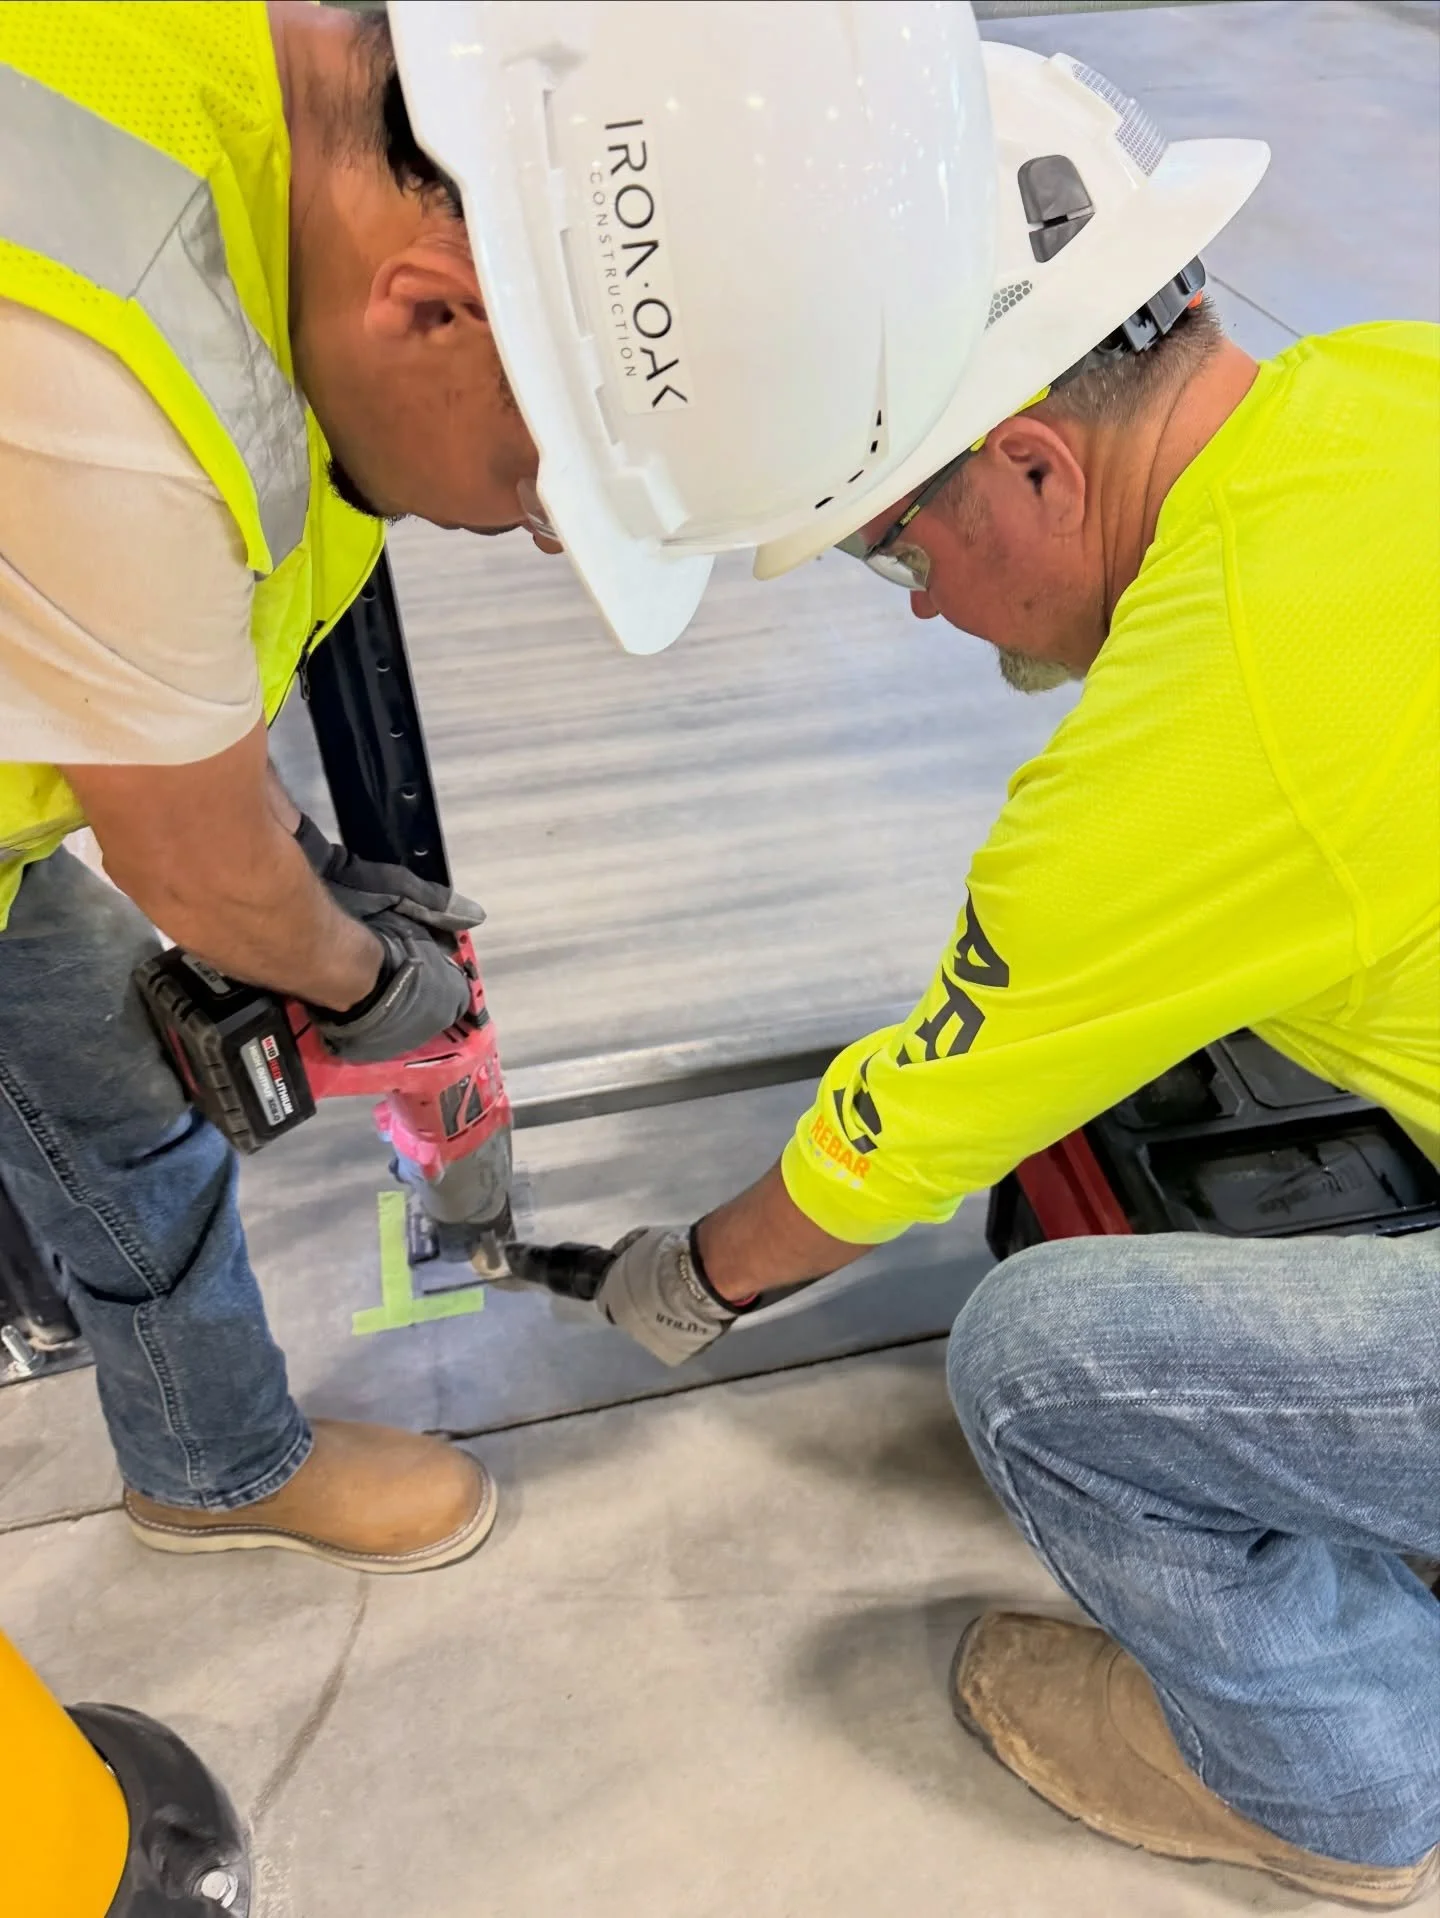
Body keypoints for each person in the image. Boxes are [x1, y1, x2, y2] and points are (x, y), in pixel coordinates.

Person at [541, 43, 1440, 1906]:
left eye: (892, 550)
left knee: (1035, 1362)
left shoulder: (1201, 729)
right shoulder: (1378, 388)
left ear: (1032, 457)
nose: (928, 604)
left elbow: (903, 1137)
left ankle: (1334, 1779)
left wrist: (683, 1282)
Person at [0, 0, 996, 1572]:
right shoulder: (99, 358)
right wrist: (367, 980)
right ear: (434, 306)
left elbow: (152, 666)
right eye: (543, 480)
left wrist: (296, 860)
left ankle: (212, 1457)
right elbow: (191, 873)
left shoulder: (281, 91)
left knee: (116, 1105)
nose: (541, 534)